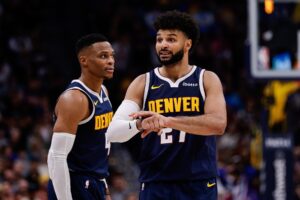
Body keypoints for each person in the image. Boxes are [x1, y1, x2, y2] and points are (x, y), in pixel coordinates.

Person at [106, 10, 227, 200]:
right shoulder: (142, 83)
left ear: (187, 44)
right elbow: (112, 132)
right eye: (159, 39)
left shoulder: (206, 79)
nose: (163, 45)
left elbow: (218, 124)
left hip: (198, 184)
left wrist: (168, 121)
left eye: (171, 40)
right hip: (156, 183)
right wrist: (139, 125)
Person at [47, 33, 115, 200]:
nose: (111, 61)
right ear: (84, 61)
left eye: (112, 56)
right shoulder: (74, 99)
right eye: (103, 56)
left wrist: (103, 184)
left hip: (95, 180)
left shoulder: (103, 92)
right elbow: (56, 156)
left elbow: (100, 145)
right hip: (73, 183)